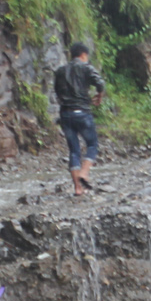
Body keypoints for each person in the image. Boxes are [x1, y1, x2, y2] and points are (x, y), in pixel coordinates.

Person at [53, 41, 106, 196]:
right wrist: (99, 96)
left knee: (74, 151)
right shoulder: (85, 67)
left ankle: (77, 188)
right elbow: (100, 83)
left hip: (65, 114)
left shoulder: (60, 71)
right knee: (92, 144)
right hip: (82, 112)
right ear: (83, 55)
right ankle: (84, 172)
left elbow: (57, 92)